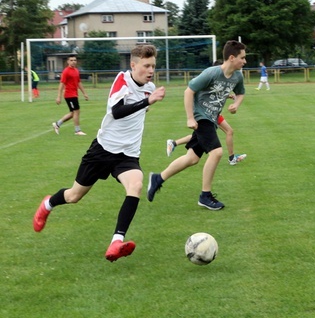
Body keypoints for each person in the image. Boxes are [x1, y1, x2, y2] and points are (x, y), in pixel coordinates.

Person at [33, 44, 165, 262]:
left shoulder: (149, 87)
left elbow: (142, 109)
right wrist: (146, 102)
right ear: (133, 65)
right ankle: (47, 204)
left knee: (136, 185)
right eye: (146, 65)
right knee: (74, 196)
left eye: (153, 66)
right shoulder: (122, 80)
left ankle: (116, 242)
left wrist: (147, 102)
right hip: (102, 150)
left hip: (128, 154)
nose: (150, 70)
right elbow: (117, 112)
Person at [148, 40, 247, 210]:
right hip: (201, 117)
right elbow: (189, 91)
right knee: (216, 152)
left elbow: (240, 93)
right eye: (242, 58)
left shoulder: (238, 76)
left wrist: (236, 105)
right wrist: (190, 118)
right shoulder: (211, 73)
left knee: (192, 158)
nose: (245, 61)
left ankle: (158, 178)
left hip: (212, 119)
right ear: (232, 57)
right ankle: (205, 195)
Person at [167, 112, 247, 166]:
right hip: (209, 114)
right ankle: (232, 158)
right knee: (229, 131)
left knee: (200, 136)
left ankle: (173, 143)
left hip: (210, 113)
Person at [53, 55, 89, 135]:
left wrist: (84, 93)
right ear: (68, 61)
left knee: (73, 113)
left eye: (75, 60)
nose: (73, 62)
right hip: (69, 95)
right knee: (76, 111)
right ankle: (77, 130)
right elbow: (61, 84)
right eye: (71, 60)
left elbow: (79, 82)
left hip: (75, 94)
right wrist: (59, 96)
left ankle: (57, 124)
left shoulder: (76, 70)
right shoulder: (66, 71)